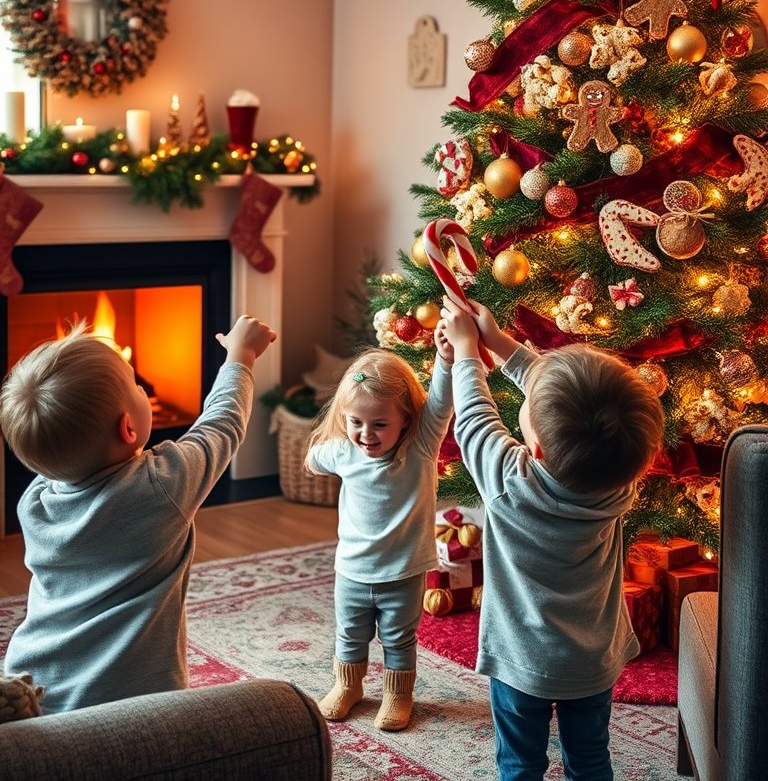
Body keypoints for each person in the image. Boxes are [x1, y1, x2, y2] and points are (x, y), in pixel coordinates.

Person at [0, 314, 276, 715]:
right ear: (128, 428)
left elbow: (51, 450)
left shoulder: (35, 502)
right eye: (136, 385)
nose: (141, 387)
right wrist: (241, 355)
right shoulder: (161, 485)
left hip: (34, 681)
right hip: (134, 701)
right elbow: (222, 423)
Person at [436, 296, 664, 781]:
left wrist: (468, 349)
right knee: (591, 760)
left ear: (535, 446)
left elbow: (474, 414)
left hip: (522, 663)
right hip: (593, 660)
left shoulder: (508, 481)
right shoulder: (619, 483)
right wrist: (496, 340)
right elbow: (560, 398)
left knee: (520, 764)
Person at [305, 345, 453, 731]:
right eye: (355, 422)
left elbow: (439, 401)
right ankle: (347, 686)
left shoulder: (420, 448)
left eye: (379, 425)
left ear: (406, 420)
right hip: (352, 571)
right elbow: (313, 458)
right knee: (349, 633)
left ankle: (398, 695)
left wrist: (447, 359)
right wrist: (319, 455)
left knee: (398, 639)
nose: (365, 435)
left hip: (403, 571)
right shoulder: (342, 451)